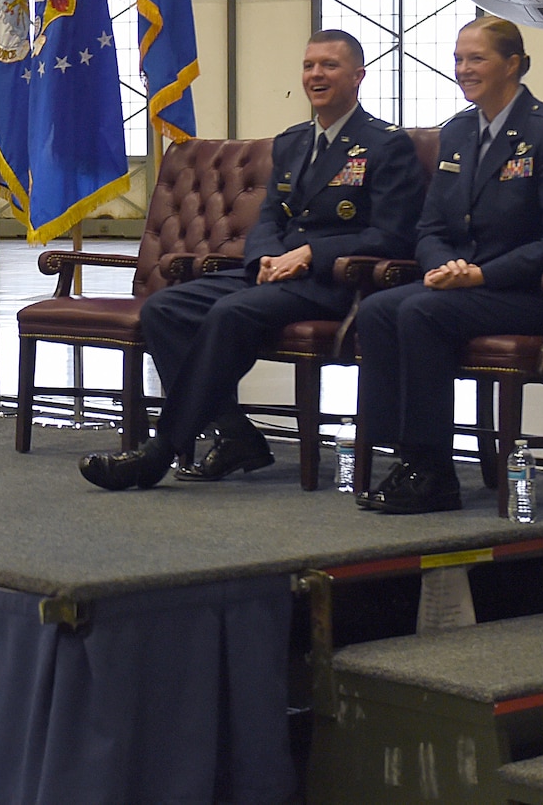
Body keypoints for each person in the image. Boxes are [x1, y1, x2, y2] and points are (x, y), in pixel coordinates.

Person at [79, 30, 425, 491]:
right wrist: (264, 256)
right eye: (309, 66)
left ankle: (162, 448)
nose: (316, 75)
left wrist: (309, 253)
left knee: (230, 312)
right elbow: (268, 218)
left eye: (330, 65)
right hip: (274, 276)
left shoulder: (385, 145)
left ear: (358, 76)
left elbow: (393, 235)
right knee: (165, 308)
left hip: (335, 284)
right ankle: (236, 433)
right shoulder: (294, 142)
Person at [354, 16, 543, 515]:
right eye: (459, 60)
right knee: (379, 309)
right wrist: (444, 266)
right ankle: (403, 454)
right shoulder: (460, 130)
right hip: (465, 286)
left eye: (477, 59)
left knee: (419, 313)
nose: (464, 70)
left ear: (513, 64)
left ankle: (435, 473)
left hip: (530, 293)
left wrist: (482, 274)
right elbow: (430, 227)